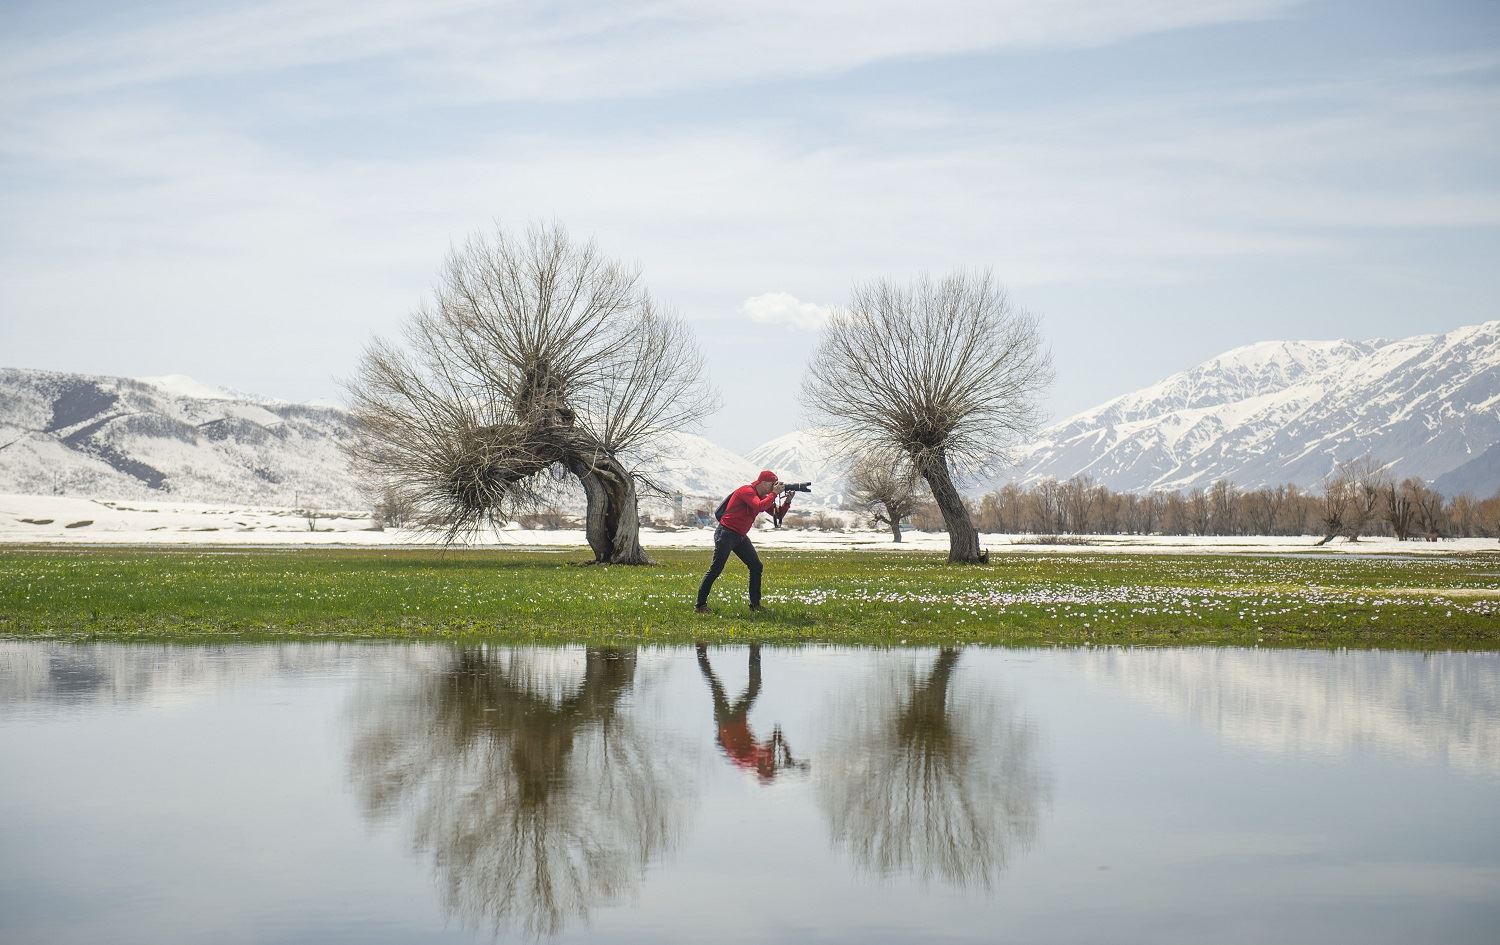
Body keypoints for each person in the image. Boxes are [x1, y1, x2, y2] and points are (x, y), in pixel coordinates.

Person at [695, 469, 784, 612]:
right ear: (763, 483)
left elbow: (778, 515)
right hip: (726, 533)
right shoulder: (747, 491)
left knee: (756, 566)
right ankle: (700, 606)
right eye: (772, 484)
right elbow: (759, 506)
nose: (773, 487)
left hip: (740, 536)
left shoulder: (763, 496)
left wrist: (788, 501)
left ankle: (755, 605)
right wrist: (774, 494)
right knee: (716, 568)